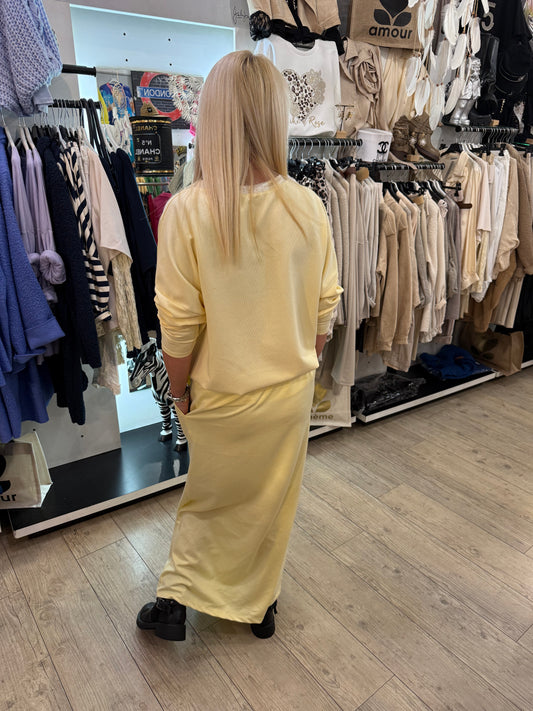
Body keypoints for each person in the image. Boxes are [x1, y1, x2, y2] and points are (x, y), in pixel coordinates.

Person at [136, 50, 342, 641]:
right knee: (270, 503)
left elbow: (178, 328)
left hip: (219, 394)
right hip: (288, 393)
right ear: (275, 115)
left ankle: (176, 599)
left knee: (208, 498)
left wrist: (179, 393)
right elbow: (325, 309)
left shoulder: (186, 211)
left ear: (213, 116)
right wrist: (302, 362)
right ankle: (259, 603)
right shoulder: (308, 206)